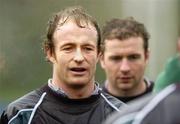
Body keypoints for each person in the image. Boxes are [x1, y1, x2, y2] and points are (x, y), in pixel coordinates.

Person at [0, 6, 124, 124]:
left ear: (99, 54)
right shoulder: (21, 115)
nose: (79, 57)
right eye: (68, 48)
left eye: (88, 48)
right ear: (50, 53)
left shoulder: (123, 116)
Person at [100, 18, 154, 103]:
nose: (125, 68)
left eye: (133, 57)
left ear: (146, 56)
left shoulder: (165, 101)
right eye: (116, 58)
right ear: (102, 59)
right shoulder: (89, 105)